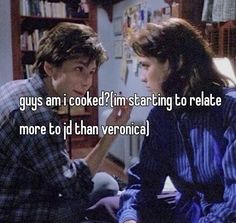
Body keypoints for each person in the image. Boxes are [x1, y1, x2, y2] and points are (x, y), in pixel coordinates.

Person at [0, 22, 132, 222]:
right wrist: (110, 136)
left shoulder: (15, 87)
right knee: (107, 184)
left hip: (13, 192)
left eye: (91, 72)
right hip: (18, 212)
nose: (87, 82)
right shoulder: (38, 117)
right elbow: (72, 186)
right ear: (50, 67)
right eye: (79, 68)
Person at [118, 18, 236, 223]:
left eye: (146, 66)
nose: (143, 77)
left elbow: (233, 203)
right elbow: (143, 182)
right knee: (107, 206)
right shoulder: (161, 115)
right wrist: (129, 218)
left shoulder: (229, 110)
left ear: (177, 62)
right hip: (187, 213)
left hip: (223, 216)